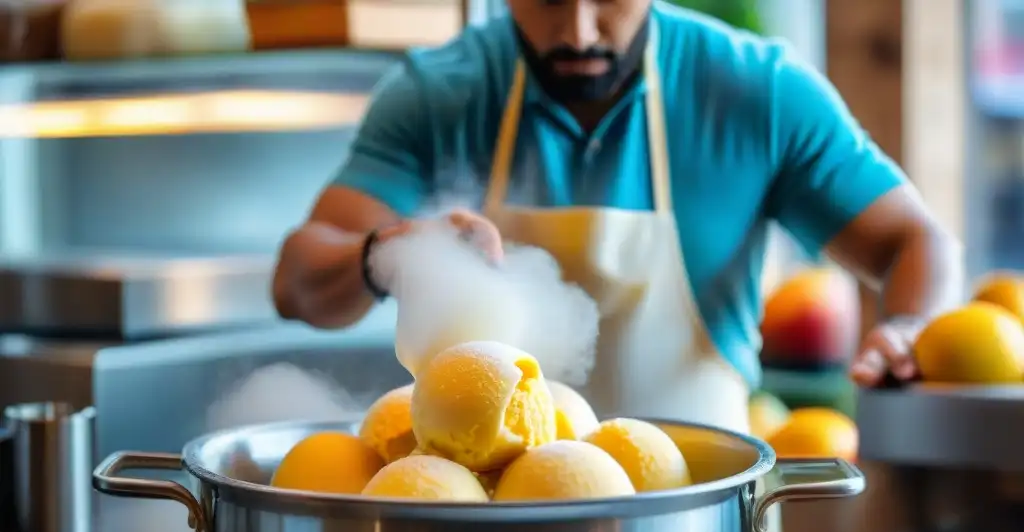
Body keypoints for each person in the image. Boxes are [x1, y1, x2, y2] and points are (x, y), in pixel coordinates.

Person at [274, 0, 963, 434]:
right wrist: (387, 252)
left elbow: (914, 241)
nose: (578, 29)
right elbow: (297, 282)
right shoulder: (437, 95)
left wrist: (909, 327)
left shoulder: (758, 93)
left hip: (704, 526)